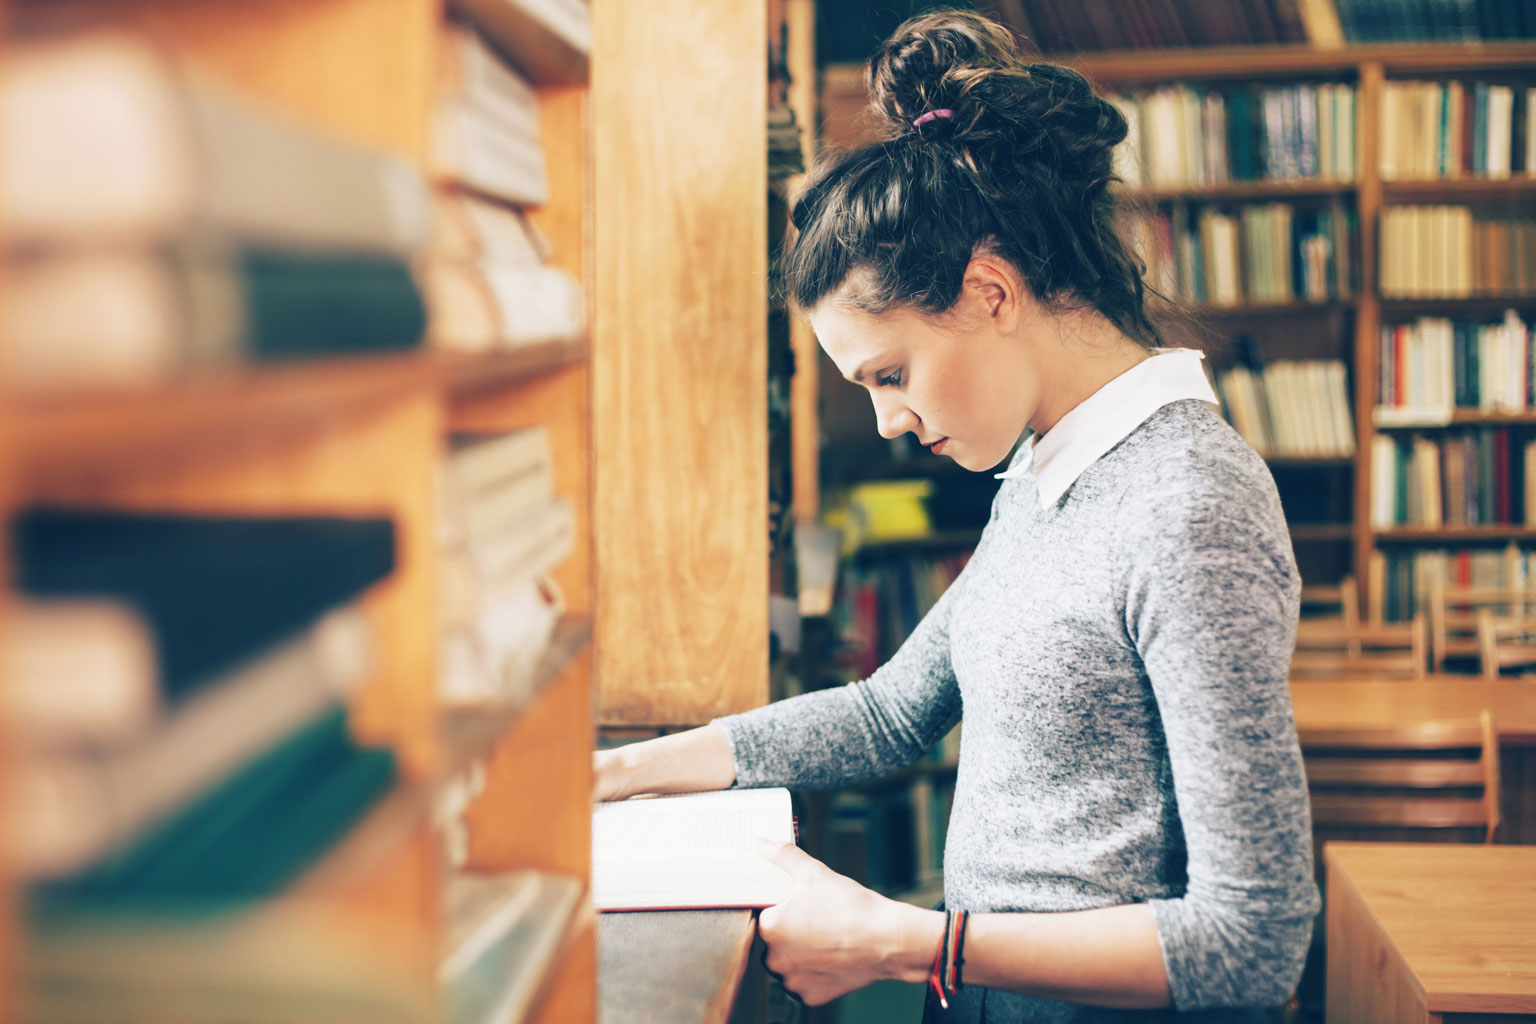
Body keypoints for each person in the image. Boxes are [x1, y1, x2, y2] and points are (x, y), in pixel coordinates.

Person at [594, 9, 1319, 1022]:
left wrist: (904, 943)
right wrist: (624, 771)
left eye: (891, 374)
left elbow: (1254, 942)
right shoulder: (1044, 471)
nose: (888, 420)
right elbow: (892, 709)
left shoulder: (1188, 505)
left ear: (988, 292)